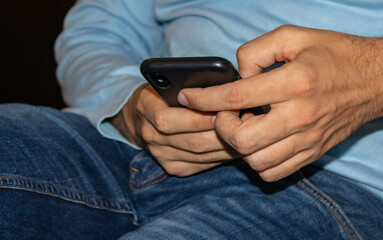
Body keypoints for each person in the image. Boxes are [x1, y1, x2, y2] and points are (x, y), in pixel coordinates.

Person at [1, 0, 382, 239]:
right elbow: (97, 31)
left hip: (343, 181)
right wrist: (127, 104)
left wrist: (370, 78)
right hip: (125, 145)